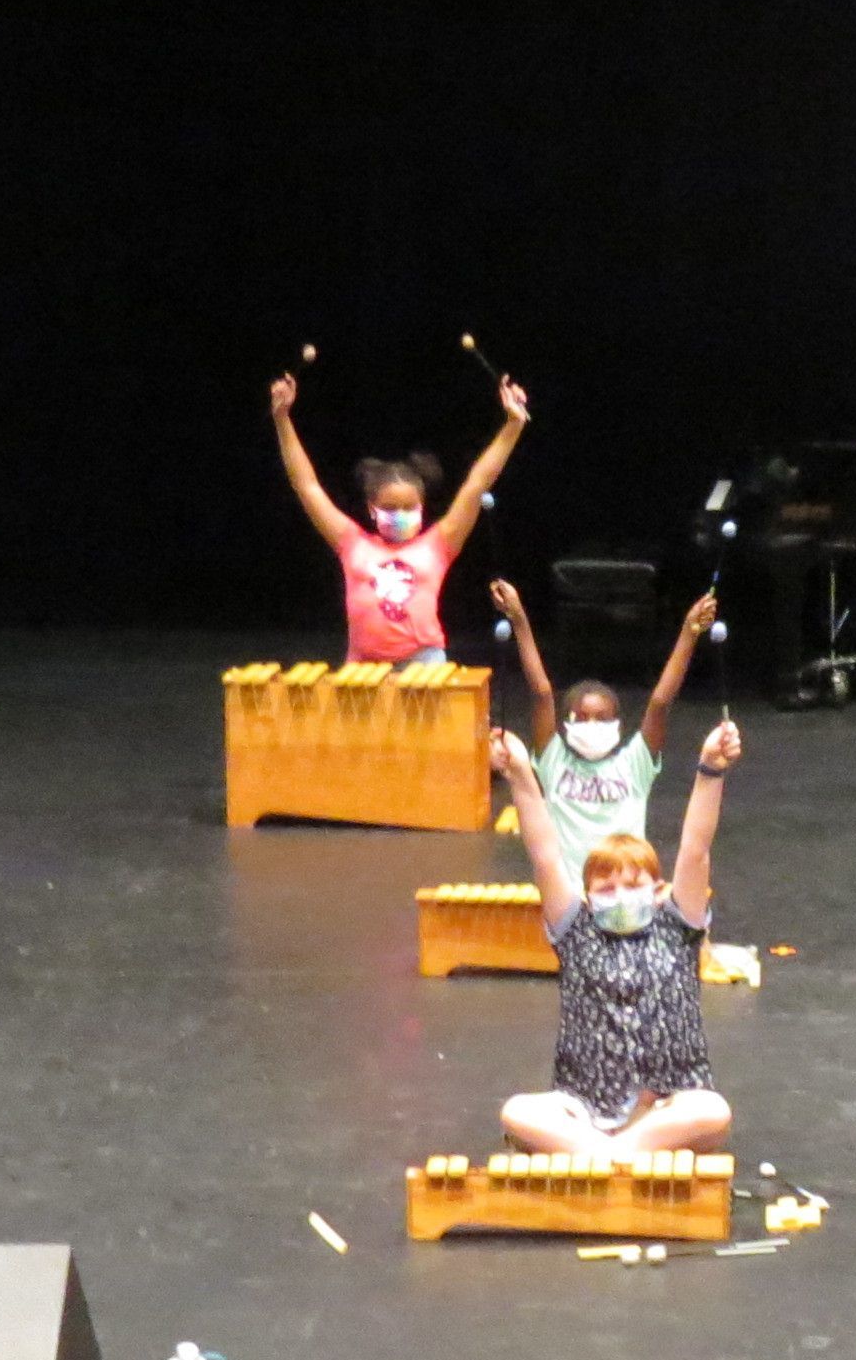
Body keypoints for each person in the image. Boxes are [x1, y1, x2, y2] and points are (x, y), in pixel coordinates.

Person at [492, 719, 742, 1157]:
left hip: (667, 1106)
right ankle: (612, 1152)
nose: (621, 895)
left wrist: (710, 770)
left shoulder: (677, 925)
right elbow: (545, 854)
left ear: (658, 889)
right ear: (588, 898)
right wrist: (520, 775)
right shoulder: (575, 932)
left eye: (633, 884)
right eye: (607, 889)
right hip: (582, 1108)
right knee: (517, 1112)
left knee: (713, 1112)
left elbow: (695, 848)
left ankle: (608, 1153)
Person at [269, 367, 529, 666]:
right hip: (363, 665)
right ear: (372, 509)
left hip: (423, 661)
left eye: (409, 508)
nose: (400, 515)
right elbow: (307, 485)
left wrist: (513, 425)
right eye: (391, 509)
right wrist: (282, 418)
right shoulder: (352, 543)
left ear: (422, 508)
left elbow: (478, 482)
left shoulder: (439, 544)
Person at [492, 578, 720, 866]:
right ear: (565, 726)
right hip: (570, 900)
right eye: (581, 717)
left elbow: (660, 702)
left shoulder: (635, 764)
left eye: (602, 718)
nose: (591, 725)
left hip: (628, 889)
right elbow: (541, 692)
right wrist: (518, 618)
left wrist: (690, 630)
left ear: (618, 725)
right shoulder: (553, 760)